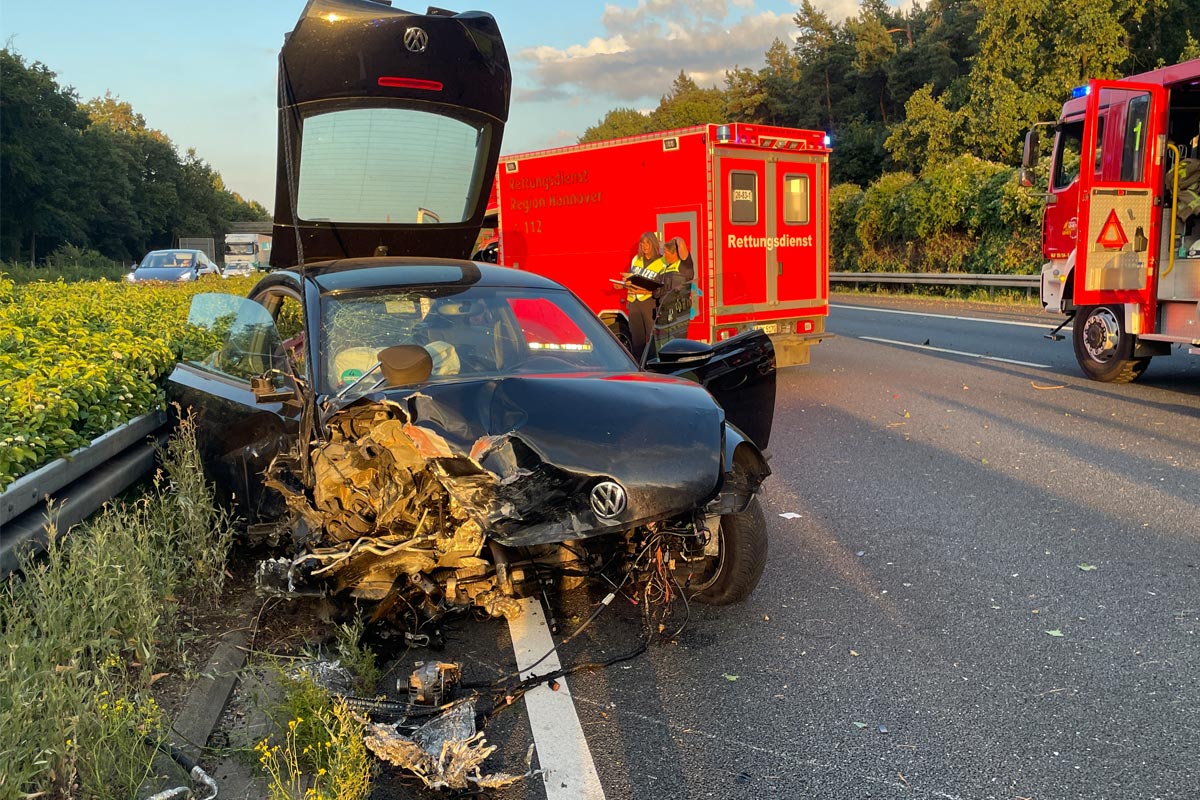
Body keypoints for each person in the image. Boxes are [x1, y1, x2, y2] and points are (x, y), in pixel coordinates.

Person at [623, 232, 666, 360]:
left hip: (649, 303)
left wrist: (647, 291)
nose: (644, 246)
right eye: (642, 243)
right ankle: (638, 364)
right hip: (634, 303)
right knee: (637, 339)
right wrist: (623, 284)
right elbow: (630, 278)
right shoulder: (636, 259)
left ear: (654, 244)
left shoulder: (662, 261)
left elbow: (662, 286)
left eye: (648, 243)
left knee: (652, 339)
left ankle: (652, 364)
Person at [653, 236, 695, 349]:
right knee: (663, 348)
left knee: (677, 348)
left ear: (675, 253)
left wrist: (676, 239)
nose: (664, 255)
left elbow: (682, 244)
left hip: (678, 315)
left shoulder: (684, 266)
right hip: (663, 314)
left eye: (666, 252)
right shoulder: (665, 269)